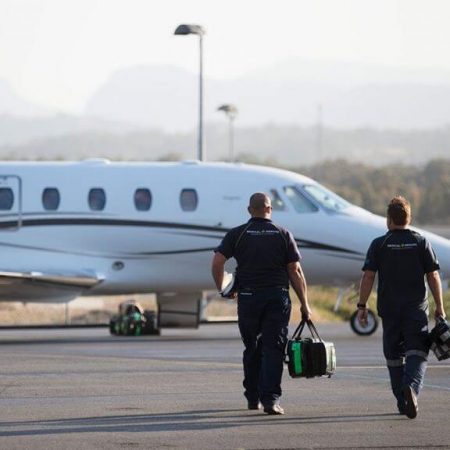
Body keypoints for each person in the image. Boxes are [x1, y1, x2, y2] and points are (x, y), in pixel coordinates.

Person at [211, 192, 311, 415]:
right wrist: (305, 304)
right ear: (270, 210)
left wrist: (224, 290)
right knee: (273, 349)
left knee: (252, 348)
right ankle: (270, 400)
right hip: (276, 298)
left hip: (248, 299)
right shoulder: (282, 233)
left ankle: (252, 397)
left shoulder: (238, 234)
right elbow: (294, 270)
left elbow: (218, 261)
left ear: (249, 210)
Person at [357, 196, 446, 419]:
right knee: (418, 352)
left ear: (389, 220)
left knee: (393, 356)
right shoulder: (421, 242)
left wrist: (362, 305)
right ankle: (412, 390)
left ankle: (402, 399)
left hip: (389, 310)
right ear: (409, 218)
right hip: (415, 309)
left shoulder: (380, 244)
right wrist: (440, 308)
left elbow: (368, 276)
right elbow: (433, 275)